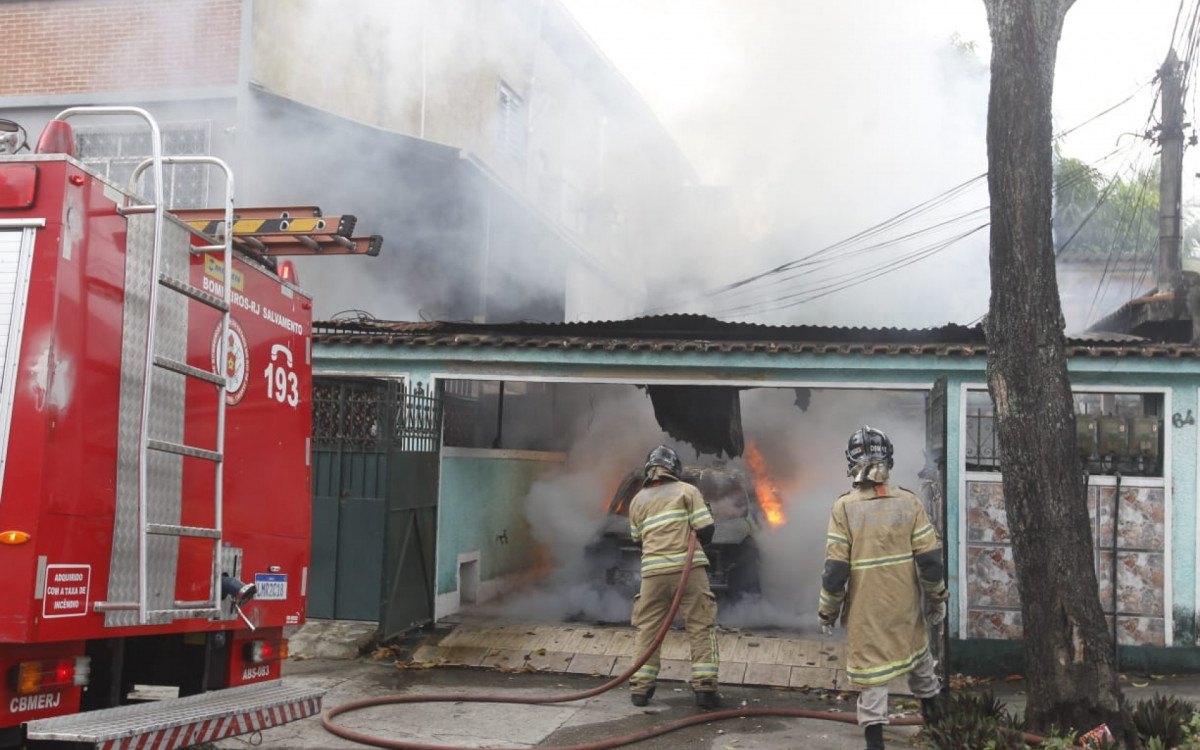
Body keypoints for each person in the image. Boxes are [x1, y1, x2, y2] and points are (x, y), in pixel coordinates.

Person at [817, 426, 949, 750]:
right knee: (921, 665)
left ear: (850, 461)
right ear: (888, 457)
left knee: (873, 681)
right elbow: (930, 560)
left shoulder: (844, 508)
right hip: (905, 608)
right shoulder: (909, 502)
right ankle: (939, 736)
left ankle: (875, 745)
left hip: (866, 614)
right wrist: (936, 598)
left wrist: (827, 611)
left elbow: (835, 571)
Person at [627, 444, 720, 709]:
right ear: (674, 469)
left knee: (648, 629)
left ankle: (641, 689)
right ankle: (704, 689)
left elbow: (637, 540)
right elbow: (706, 529)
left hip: (653, 575)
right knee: (700, 625)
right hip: (688, 572)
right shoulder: (687, 491)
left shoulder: (637, 500)